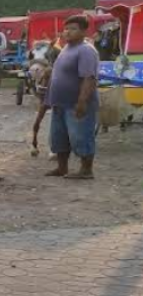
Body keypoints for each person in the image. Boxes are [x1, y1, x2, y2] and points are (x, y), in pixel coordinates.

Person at [43, 15, 99, 179]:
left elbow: (89, 78)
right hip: (60, 103)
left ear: (83, 31)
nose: (67, 32)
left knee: (80, 136)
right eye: (66, 29)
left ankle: (86, 170)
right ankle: (62, 168)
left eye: (73, 29)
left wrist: (82, 102)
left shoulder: (86, 50)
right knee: (58, 137)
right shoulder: (65, 49)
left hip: (76, 103)